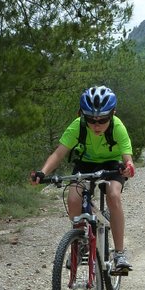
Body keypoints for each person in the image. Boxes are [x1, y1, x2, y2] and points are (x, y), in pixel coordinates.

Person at [31, 85, 135, 272]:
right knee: (73, 199)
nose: (97, 125)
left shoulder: (118, 127)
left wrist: (128, 168)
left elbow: (128, 159)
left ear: (112, 114)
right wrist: (42, 172)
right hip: (85, 163)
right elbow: (58, 154)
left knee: (113, 195)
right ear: (81, 114)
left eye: (103, 120)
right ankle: (80, 242)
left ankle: (119, 253)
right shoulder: (77, 126)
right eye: (90, 120)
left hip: (112, 164)